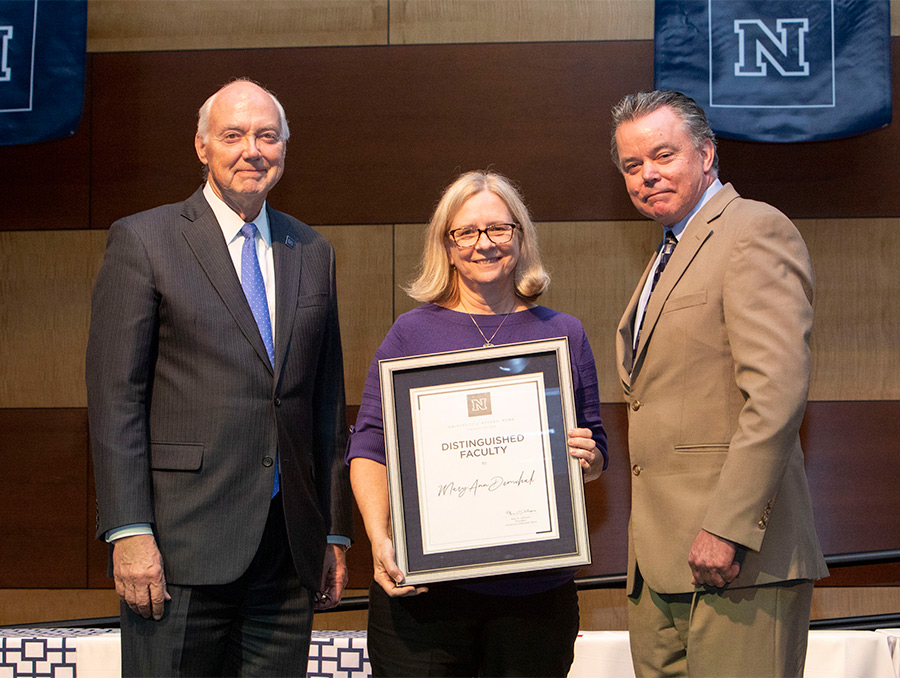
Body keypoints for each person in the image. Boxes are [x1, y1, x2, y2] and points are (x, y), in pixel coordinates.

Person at [86, 79, 353, 677]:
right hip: (177, 551)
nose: (250, 150)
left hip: (287, 557)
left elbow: (327, 404)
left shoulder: (311, 249)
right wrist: (128, 530)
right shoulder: (144, 240)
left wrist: (335, 531)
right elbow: (114, 398)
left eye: (266, 135)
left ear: (284, 147)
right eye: (233, 135)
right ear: (202, 147)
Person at [347, 169, 608, 678]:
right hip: (425, 599)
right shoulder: (411, 334)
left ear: (521, 236)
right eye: (465, 232)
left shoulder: (562, 334)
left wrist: (589, 457)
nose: (483, 244)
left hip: (534, 597)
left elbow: (595, 450)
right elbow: (370, 447)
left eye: (498, 229)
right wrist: (380, 541)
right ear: (445, 245)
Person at [610, 89, 828, 677]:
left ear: (706, 154)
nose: (647, 175)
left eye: (663, 155)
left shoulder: (753, 230)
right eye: (632, 166)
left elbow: (776, 397)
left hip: (736, 564)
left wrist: (726, 529)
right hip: (658, 570)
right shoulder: (664, 254)